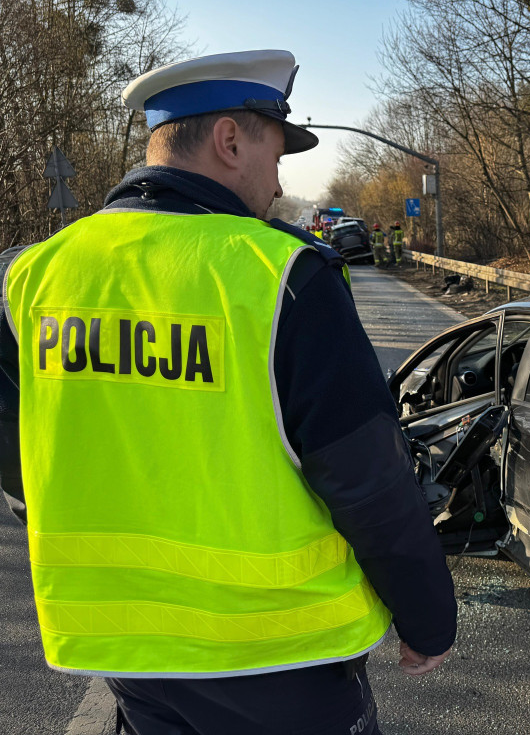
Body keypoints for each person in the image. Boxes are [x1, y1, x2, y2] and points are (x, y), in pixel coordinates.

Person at [0, 50, 456, 735]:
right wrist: (427, 620)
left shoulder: (28, 279)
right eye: (276, 155)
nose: (278, 183)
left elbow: (21, 466)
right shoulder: (284, 276)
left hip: (126, 652)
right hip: (286, 658)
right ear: (230, 140)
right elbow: (368, 480)